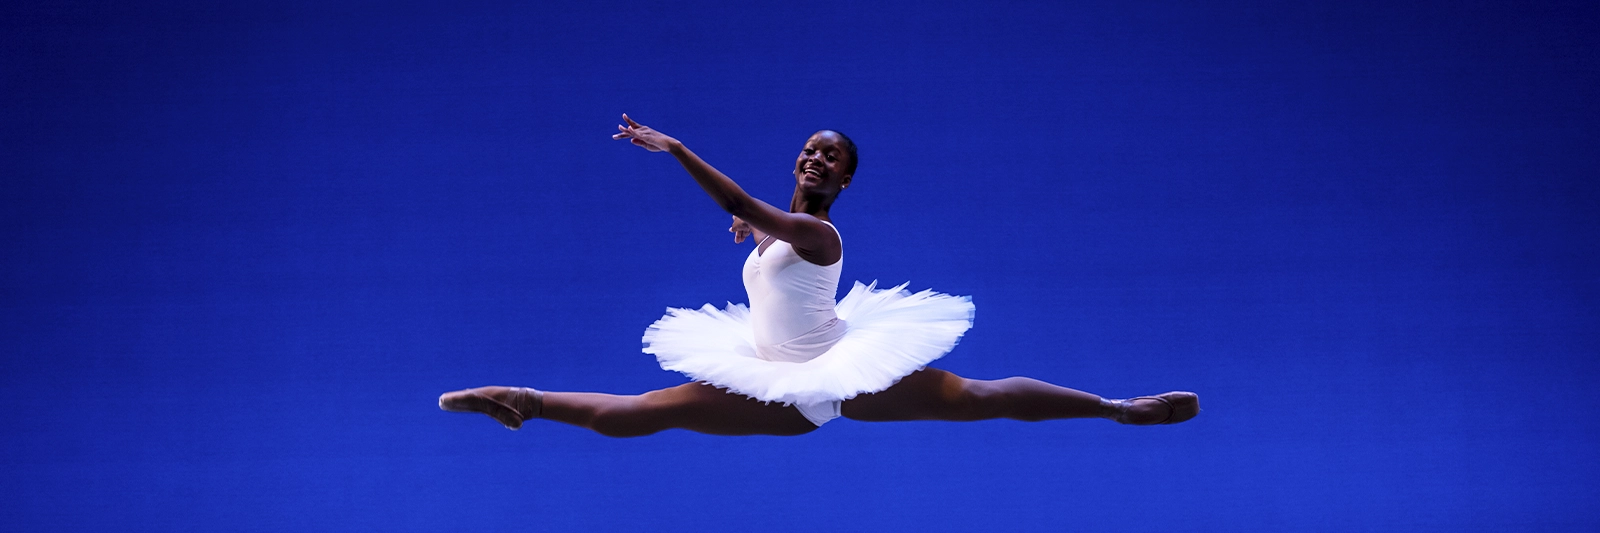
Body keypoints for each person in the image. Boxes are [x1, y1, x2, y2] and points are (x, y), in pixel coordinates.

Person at [438, 114, 1198, 437]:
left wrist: (675, 150)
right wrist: (749, 231)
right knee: (645, 409)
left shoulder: (818, 231)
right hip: (775, 377)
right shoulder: (776, 232)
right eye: (811, 147)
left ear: (844, 183)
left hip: (833, 373)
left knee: (979, 395)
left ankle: (1117, 407)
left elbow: (741, 201)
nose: (816, 156)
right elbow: (752, 222)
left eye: (831, 156)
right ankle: (523, 399)